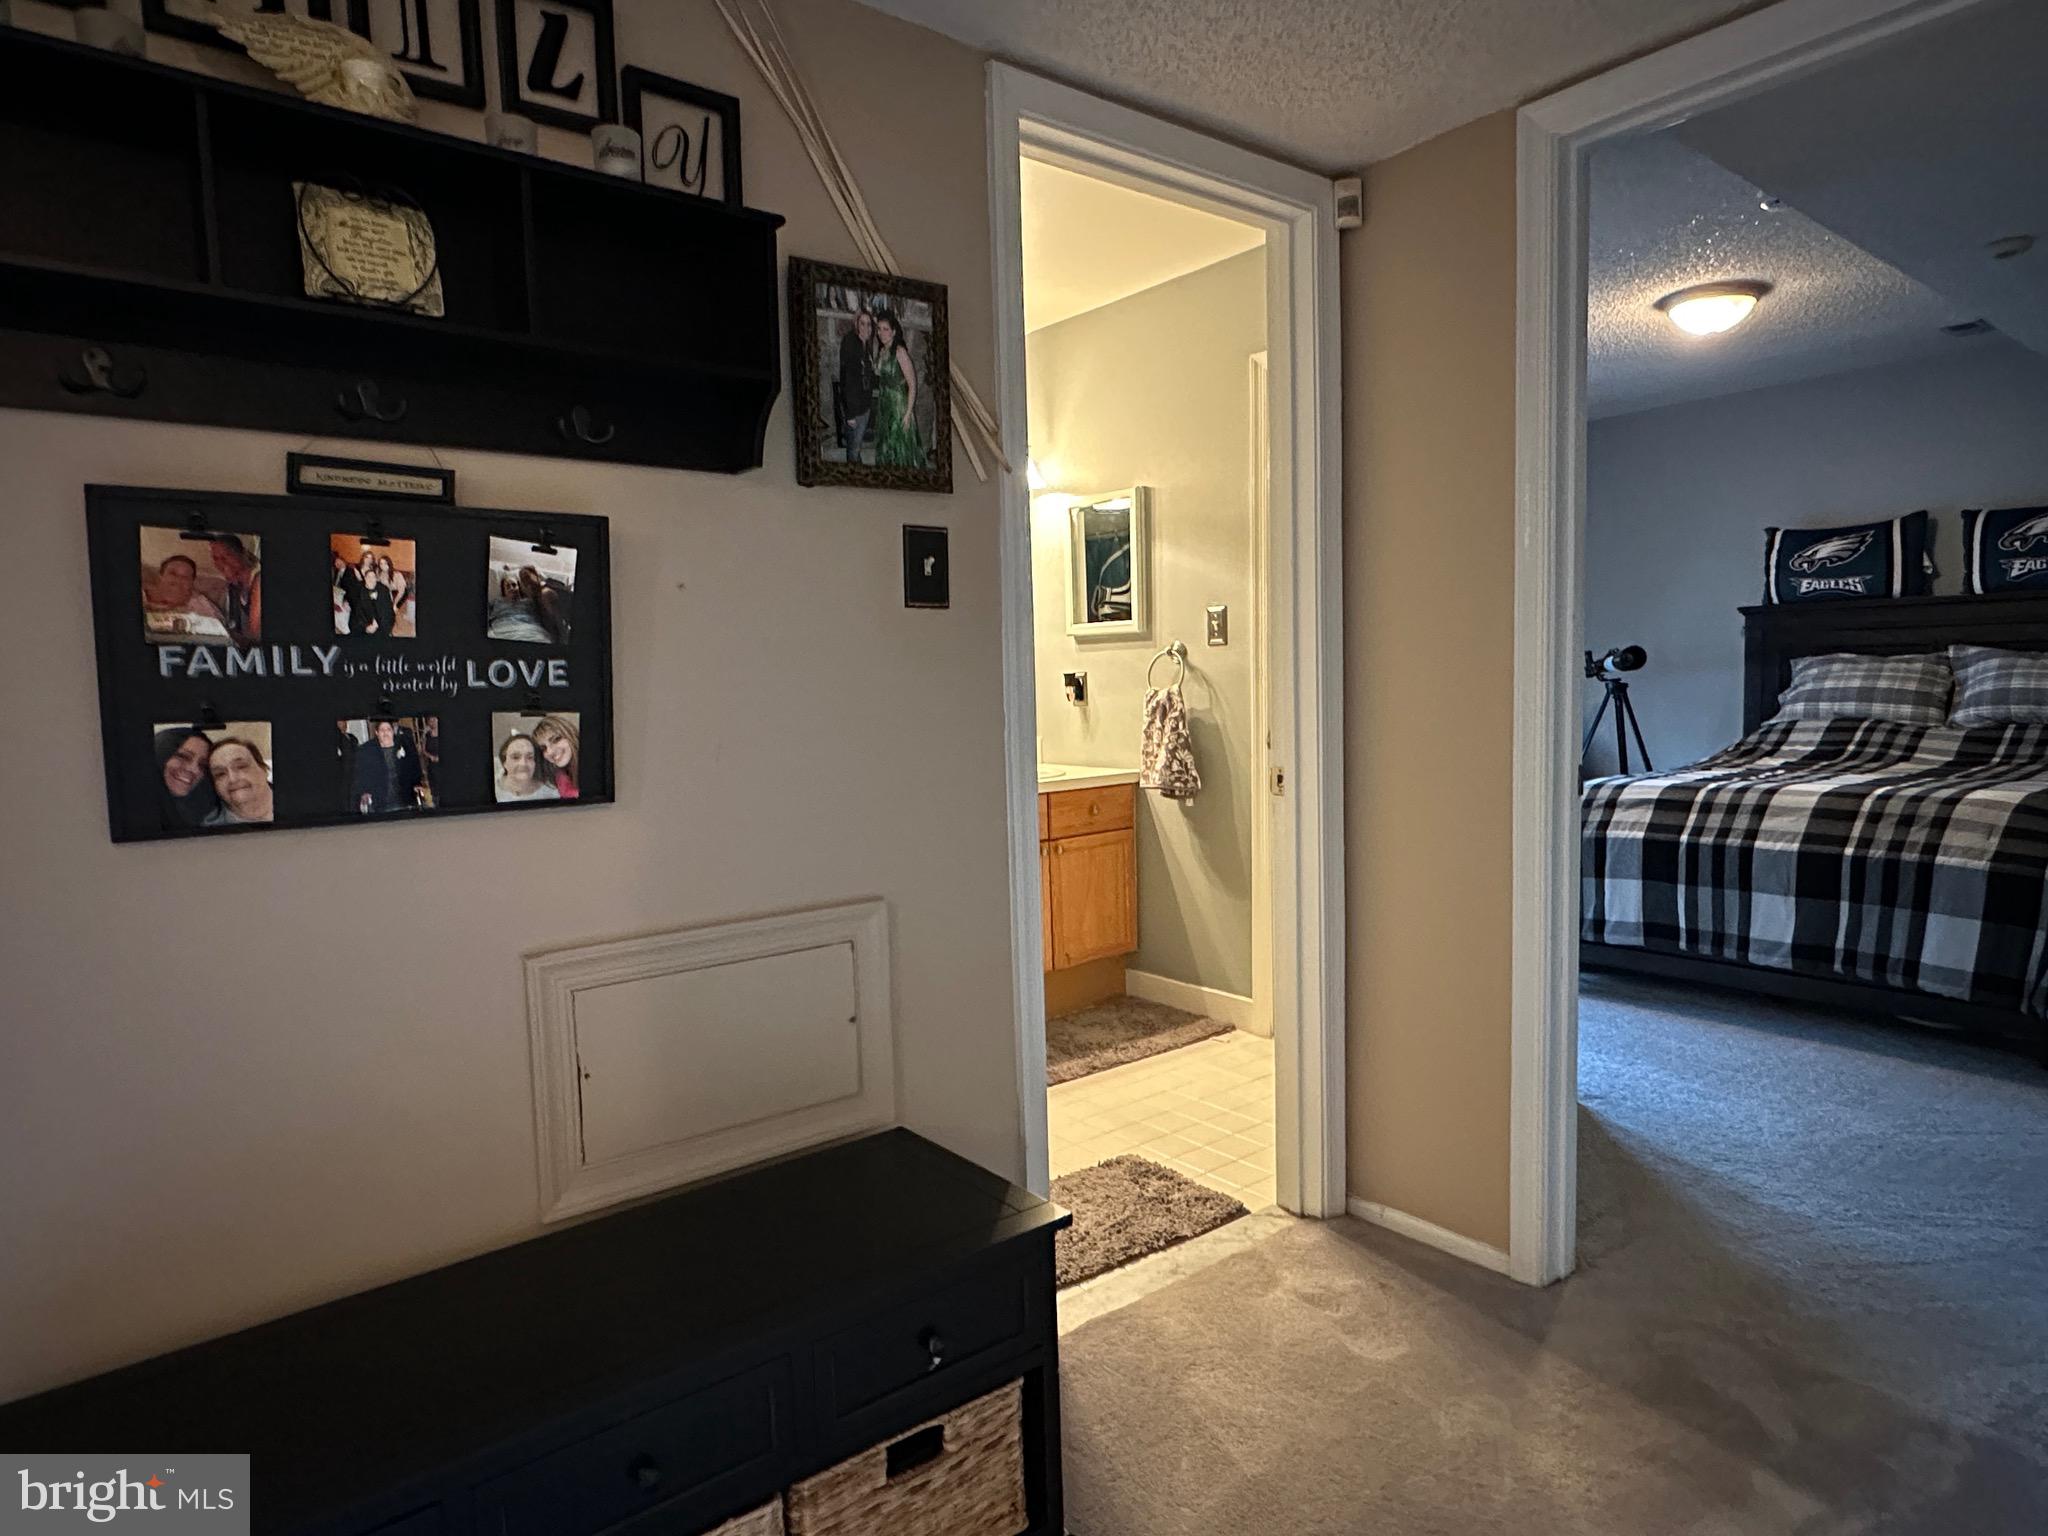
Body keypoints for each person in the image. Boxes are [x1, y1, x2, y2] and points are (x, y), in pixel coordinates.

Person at [870, 310, 924, 468]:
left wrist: (908, 413)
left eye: (885, 329)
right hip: (884, 405)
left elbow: (912, 384)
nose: (881, 333)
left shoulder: (900, 352)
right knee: (886, 445)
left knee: (899, 447)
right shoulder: (882, 352)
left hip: (899, 406)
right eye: (879, 329)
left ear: (893, 332)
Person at [143, 554, 229, 640]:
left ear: (192, 583)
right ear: (161, 576)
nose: (179, 580)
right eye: (173, 573)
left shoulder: (201, 605)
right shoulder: (142, 594)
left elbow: (221, 633)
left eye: (186, 577)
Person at [351, 718, 423, 814]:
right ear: (377, 733)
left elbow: (414, 767)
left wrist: (417, 784)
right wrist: (364, 792)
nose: (386, 733)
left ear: (393, 731)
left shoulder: (405, 745)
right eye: (382, 730)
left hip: (404, 796)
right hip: (380, 799)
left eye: (388, 729)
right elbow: (362, 773)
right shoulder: (367, 750)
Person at [154, 726, 218, 829]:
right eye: (183, 757)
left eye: (202, 765)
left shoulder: (204, 815)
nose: (195, 770)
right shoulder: (129, 809)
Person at [204, 736, 274, 824]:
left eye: (241, 767)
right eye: (220, 774)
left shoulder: (294, 799)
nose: (232, 779)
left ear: (264, 769)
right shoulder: (209, 830)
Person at [836, 307, 876, 461]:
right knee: (853, 449)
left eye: (869, 324)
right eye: (862, 324)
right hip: (854, 408)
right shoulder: (851, 343)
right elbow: (848, 380)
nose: (866, 328)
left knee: (856, 447)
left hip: (864, 405)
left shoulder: (866, 344)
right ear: (856, 324)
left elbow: (867, 374)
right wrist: (850, 414)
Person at [208, 535, 262, 645]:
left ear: (242, 554)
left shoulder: (259, 579)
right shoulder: (233, 587)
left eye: (227, 555)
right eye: (216, 558)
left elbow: (255, 633)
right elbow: (235, 630)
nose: (221, 563)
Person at [495, 733, 560, 802]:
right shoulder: (493, 787)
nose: (523, 763)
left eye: (530, 757)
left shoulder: (551, 794)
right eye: (515, 757)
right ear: (504, 763)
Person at [531, 715, 580, 800]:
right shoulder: (559, 777)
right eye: (543, 748)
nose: (549, 752)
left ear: (571, 734)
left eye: (556, 739)